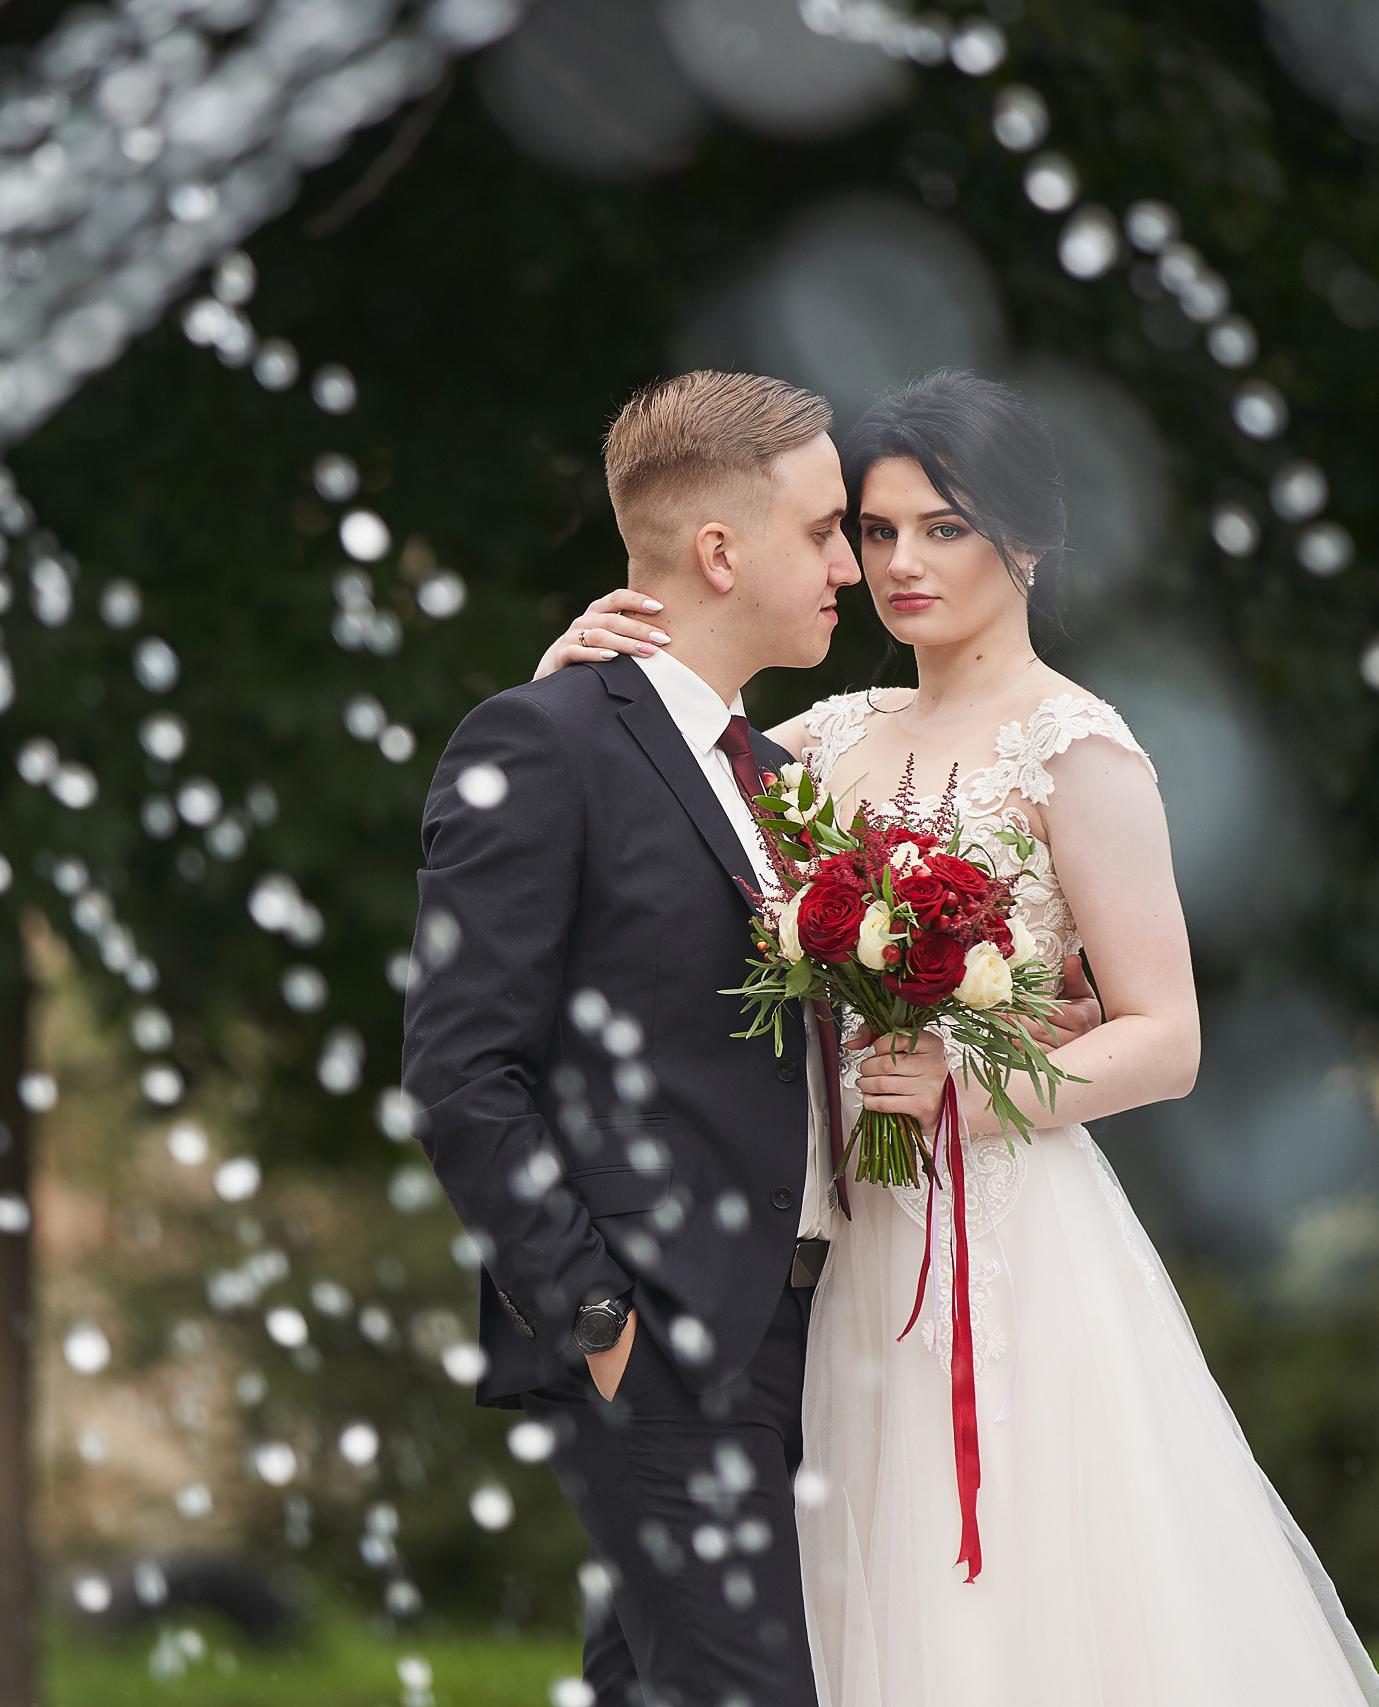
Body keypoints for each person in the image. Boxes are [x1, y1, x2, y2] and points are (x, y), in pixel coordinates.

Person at [534, 369, 1379, 1706]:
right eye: (874, 532)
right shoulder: (819, 743)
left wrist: (968, 1091)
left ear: (1029, 542)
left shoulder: (1078, 749)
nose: (899, 563)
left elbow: (1165, 1038)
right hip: (828, 1247)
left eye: (944, 528)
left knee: (1007, 1609)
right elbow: (666, 847)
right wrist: (571, 692)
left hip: (1004, 1238)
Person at [401, 370, 862, 1707]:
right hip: (660, 1337)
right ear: (719, 551)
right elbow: (461, 1070)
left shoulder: (773, 781)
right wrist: (600, 1317)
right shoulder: (541, 743)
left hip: (799, 1340)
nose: (852, 563)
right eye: (824, 529)